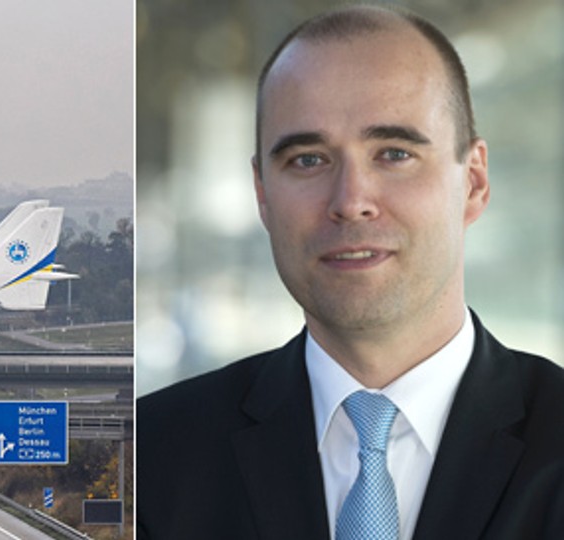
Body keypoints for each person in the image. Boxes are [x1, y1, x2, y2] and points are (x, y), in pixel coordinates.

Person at [136, 5, 564, 539]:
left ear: (473, 183)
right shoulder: (151, 458)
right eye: (309, 160)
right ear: (262, 196)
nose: (351, 201)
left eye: (393, 153)